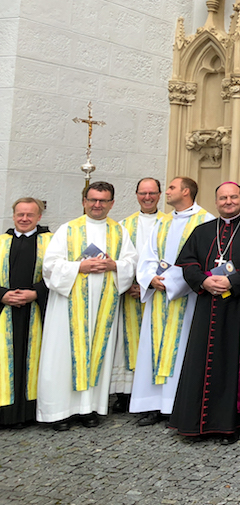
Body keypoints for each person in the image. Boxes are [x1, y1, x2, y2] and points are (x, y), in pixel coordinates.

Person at [169, 182, 240, 443]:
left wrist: (231, 282)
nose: (228, 202)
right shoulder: (202, 231)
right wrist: (203, 281)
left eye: (233, 197)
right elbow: (188, 263)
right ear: (216, 202)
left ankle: (229, 425)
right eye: (223, 198)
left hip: (239, 306)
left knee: (232, 363)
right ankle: (197, 424)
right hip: (206, 305)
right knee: (201, 362)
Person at [37, 182, 138, 430]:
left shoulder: (120, 232)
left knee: (96, 355)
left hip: (103, 308)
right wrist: (78, 267)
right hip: (68, 309)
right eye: (93, 200)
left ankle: (89, 409)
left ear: (112, 203)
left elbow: (130, 263)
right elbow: (49, 266)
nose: (97, 205)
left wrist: (115, 265)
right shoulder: (68, 230)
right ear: (84, 201)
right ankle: (58, 412)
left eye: (103, 201)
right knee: (62, 356)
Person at [130, 177, 213, 426]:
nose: (166, 192)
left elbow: (201, 261)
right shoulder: (163, 221)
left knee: (181, 351)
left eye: (172, 188)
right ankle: (152, 405)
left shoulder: (205, 221)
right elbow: (148, 255)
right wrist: (150, 278)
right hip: (159, 298)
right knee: (152, 349)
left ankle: (176, 404)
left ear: (186, 191)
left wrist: (172, 282)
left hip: (187, 297)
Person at [116, 178, 169, 412]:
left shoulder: (169, 223)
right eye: (143, 193)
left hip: (159, 293)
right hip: (129, 294)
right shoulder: (122, 226)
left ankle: (155, 393)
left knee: (156, 342)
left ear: (159, 194)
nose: (147, 197)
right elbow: (118, 259)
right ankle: (125, 393)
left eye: (152, 193)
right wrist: (128, 285)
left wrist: (148, 284)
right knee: (126, 342)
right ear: (136, 195)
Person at [0, 197, 50, 427]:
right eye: (20, 214)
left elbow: (59, 276)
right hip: (4, 313)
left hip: (37, 313)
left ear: (39, 217)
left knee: (34, 360)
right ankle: (6, 414)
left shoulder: (50, 243)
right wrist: (2, 294)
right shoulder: (1, 242)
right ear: (13, 215)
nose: (24, 218)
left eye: (30, 215)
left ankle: (29, 413)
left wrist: (36, 292)